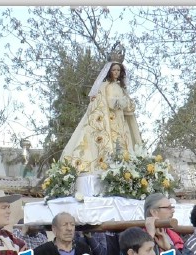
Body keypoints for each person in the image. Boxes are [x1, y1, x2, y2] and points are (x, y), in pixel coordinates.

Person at [61, 41, 142, 172]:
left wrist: (128, 103)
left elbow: (128, 108)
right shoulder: (105, 86)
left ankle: (122, 170)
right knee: (109, 147)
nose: (116, 72)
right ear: (109, 71)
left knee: (123, 148)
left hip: (121, 123)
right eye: (114, 70)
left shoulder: (121, 88)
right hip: (108, 122)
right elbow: (110, 103)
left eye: (118, 70)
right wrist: (120, 102)